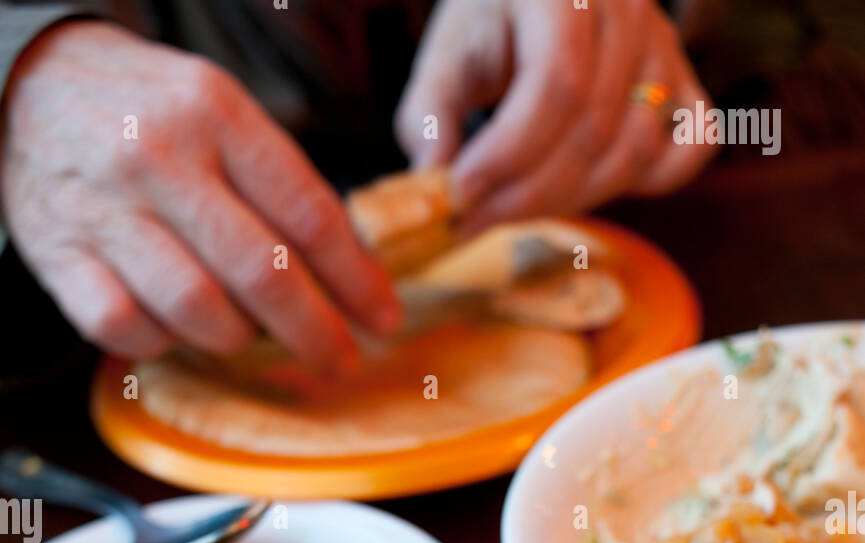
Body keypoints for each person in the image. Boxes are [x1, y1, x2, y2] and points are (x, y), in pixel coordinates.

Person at [0, 0, 712, 371]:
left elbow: (748, 70)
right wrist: (19, 73)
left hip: (666, 315)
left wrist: (647, 57)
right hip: (79, 400)